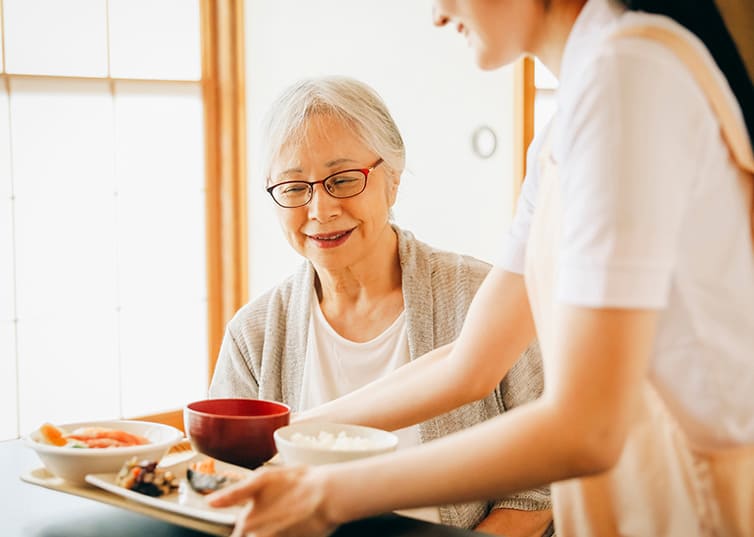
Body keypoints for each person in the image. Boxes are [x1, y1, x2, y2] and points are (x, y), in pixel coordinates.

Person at [208, 1, 754, 536]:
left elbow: (589, 427)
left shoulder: (627, 81)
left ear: (392, 178)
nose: (438, 15)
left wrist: (327, 494)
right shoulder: (568, 123)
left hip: (691, 505)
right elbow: (470, 364)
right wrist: (293, 430)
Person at [208, 76, 553, 535]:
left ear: (392, 177)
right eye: (294, 188)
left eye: (344, 180)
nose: (320, 210)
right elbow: (221, 485)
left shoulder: (481, 298)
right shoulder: (253, 334)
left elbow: (538, 492)